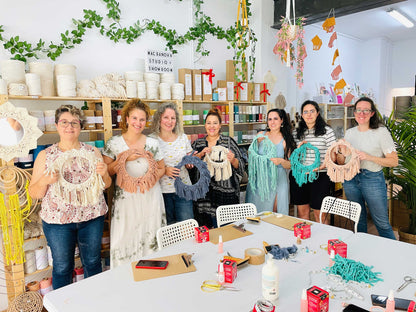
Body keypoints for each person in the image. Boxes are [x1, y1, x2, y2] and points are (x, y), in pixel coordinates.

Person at [29, 105, 112, 290]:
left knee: (92, 262)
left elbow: (106, 185)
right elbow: (34, 192)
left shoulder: (92, 153)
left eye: (75, 122)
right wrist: (44, 180)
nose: (70, 127)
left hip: (92, 218)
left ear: (80, 126)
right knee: (62, 267)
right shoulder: (46, 155)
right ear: (57, 125)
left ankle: (95, 302)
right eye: (64, 122)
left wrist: (105, 173)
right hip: (58, 222)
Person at [103, 99, 166, 268]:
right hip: (126, 200)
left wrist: (150, 178)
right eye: (135, 118)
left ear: (146, 121)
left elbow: (162, 168)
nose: (138, 123)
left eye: (142, 119)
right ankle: (124, 278)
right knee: (125, 238)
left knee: (150, 236)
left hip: (150, 197)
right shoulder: (114, 144)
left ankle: (152, 274)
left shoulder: (152, 143)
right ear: (127, 119)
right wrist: (123, 161)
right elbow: (106, 171)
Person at [343, 97, 397, 239]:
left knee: (382, 223)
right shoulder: (349, 133)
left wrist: (369, 157)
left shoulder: (381, 132)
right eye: (359, 110)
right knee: (357, 222)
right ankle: (363, 256)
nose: (362, 113)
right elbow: (343, 160)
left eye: (366, 110)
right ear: (354, 113)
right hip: (350, 179)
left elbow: (393, 161)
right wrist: (340, 152)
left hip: (372, 179)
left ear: (372, 113)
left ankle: (394, 258)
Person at [191, 108, 245, 228]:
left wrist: (233, 160)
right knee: (207, 232)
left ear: (220, 125)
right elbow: (189, 167)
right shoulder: (197, 144)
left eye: (215, 123)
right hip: (203, 196)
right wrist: (200, 155)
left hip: (226, 196)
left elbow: (241, 165)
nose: (212, 126)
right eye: (209, 123)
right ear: (205, 125)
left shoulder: (228, 142)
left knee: (227, 231)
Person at [290, 100, 336, 222]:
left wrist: (323, 165)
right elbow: (292, 157)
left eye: (312, 111)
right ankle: (306, 238)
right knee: (302, 213)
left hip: (320, 176)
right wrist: (298, 150)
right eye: (306, 112)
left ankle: (323, 239)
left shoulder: (327, 131)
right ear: (302, 115)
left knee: (319, 213)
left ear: (317, 113)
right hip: (301, 176)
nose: (309, 114)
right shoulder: (296, 133)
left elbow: (333, 154)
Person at [150, 102, 194, 225]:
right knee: (167, 230)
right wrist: (165, 169)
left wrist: (189, 163)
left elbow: (189, 156)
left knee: (187, 228)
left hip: (183, 190)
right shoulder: (151, 140)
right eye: (166, 117)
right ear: (159, 118)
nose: (170, 121)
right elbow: (148, 167)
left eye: (173, 118)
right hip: (161, 192)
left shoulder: (183, 137)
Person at [245, 108, 296, 214]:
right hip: (259, 180)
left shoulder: (286, 140)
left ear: (282, 120)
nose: (272, 122)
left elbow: (291, 164)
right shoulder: (260, 135)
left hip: (277, 179)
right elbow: (250, 154)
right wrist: (255, 144)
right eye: (270, 119)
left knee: (275, 211)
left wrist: (281, 161)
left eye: (275, 119)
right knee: (257, 212)